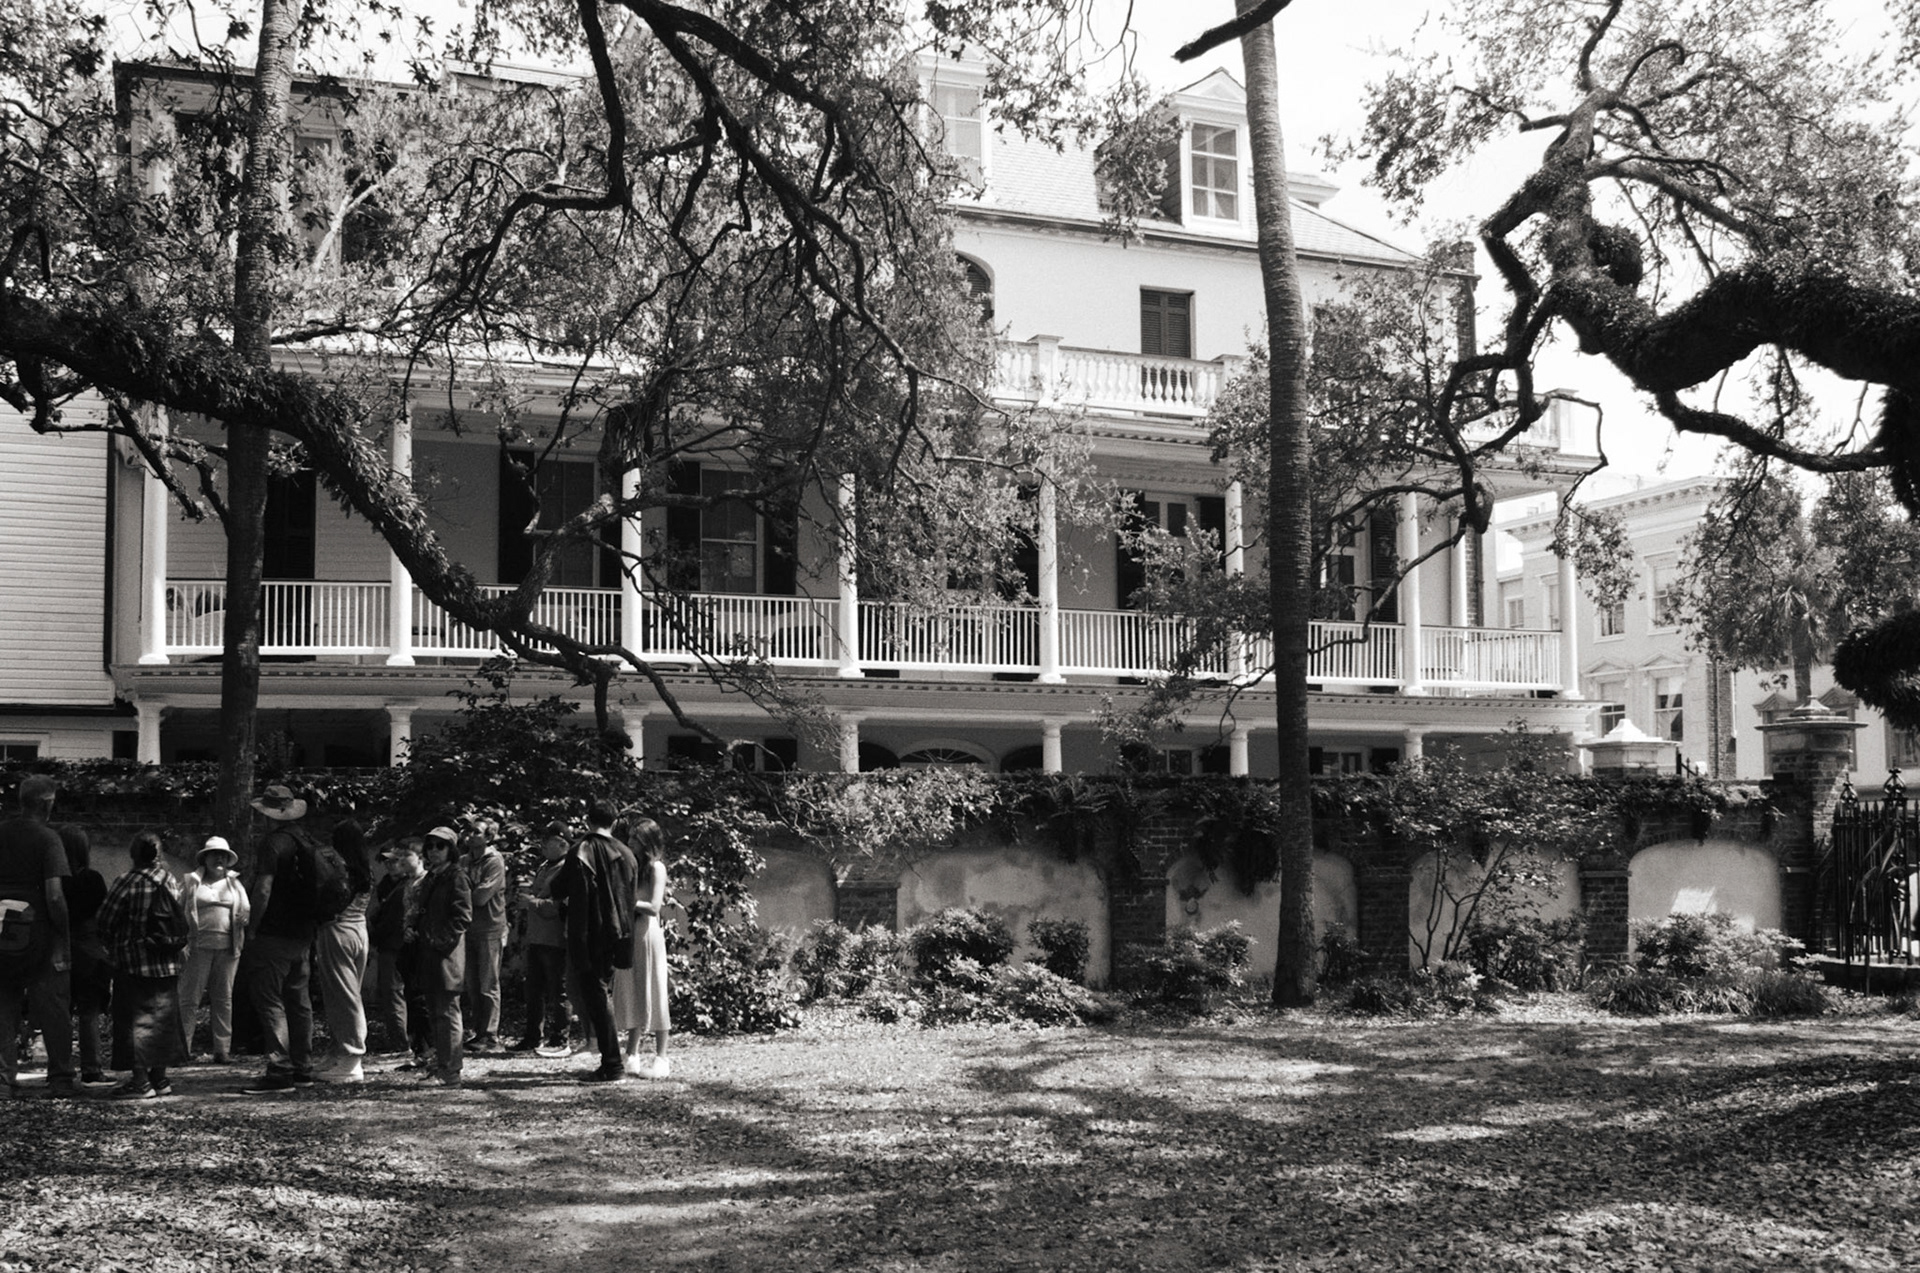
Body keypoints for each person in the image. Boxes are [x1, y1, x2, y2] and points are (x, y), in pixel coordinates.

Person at [96, 831, 188, 1099]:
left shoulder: (127, 881)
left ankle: (139, 1081)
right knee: (163, 1020)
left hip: (134, 962)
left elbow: (105, 919)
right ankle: (160, 1078)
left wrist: (112, 944)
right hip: (168, 961)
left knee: (133, 1022)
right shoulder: (170, 880)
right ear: (159, 854)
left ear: (133, 854)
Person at [240, 783, 319, 1095]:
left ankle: (280, 1069)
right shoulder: (306, 841)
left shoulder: (273, 844)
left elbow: (263, 889)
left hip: (274, 934)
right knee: (299, 1002)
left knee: (270, 999)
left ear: (267, 815)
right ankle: (303, 1067)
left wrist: (252, 927)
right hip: (303, 934)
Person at [0, 774, 75, 1100]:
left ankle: (3, 1080)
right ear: (47, 803)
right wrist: (64, 932)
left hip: (1, 927)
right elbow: (55, 895)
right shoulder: (48, 839)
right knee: (53, 1005)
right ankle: (59, 1079)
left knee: (2, 1006)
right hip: (39, 933)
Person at [556, 800, 635, 1083]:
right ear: (614, 821)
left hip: (590, 932)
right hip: (620, 932)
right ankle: (611, 1060)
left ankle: (613, 1064)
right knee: (603, 993)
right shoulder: (627, 853)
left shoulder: (583, 849)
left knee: (598, 996)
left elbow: (562, 887)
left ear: (588, 820)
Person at [175, 835, 248, 1065]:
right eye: (214, 855)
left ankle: (222, 1050)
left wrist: (243, 917)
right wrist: (180, 943)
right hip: (196, 947)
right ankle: (182, 1048)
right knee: (188, 999)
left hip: (227, 949)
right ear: (204, 858)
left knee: (223, 999)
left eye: (223, 856)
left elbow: (246, 909)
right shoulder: (191, 882)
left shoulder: (235, 884)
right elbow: (177, 910)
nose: (219, 859)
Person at [313, 819, 373, 1083]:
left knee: (345, 996)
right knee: (346, 993)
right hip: (359, 929)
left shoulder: (342, 869)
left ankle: (351, 1057)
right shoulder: (365, 869)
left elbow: (330, 905)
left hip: (338, 931)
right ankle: (339, 1050)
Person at [614, 816, 672, 1079]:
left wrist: (626, 901)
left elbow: (654, 907)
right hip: (630, 933)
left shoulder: (656, 868)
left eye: (636, 839)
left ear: (647, 842)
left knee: (655, 989)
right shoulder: (631, 867)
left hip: (648, 933)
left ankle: (661, 1056)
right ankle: (632, 1052)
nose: (630, 842)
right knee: (632, 990)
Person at [415, 826, 471, 1086]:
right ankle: (441, 1066)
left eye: (441, 845)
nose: (434, 851)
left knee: (448, 1013)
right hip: (429, 953)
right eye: (430, 845)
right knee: (436, 1012)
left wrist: (439, 941)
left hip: (446, 954)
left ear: (452, 849)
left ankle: (450, 1071)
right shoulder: (433, 877)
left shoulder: (456, 877)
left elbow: (462, 918)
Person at [55, 824, 111, 1085]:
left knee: (60, 1013)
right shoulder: (93, 880)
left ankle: (60, 1068)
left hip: (60, 950)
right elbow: (102, 917)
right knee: (89, 1013)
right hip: (89, 953)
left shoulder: (56, 881)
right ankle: (91, 1068)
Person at [511, 827, 571, 1055]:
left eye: (549, 841)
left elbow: (557, 907)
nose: (543, 845)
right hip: (536, 938)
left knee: (558, 991)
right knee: (533, 990)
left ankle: (559, 1039)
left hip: (554, 938)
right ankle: (532, 1037)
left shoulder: (566, 869)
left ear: (563, 844)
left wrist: (531, 903)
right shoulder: (544, 866)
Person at [370, 838, 422, 1057]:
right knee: (392, 993)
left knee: (396, 993)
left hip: (398, 945)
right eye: (386, 861)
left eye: (394, 860)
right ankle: (403, 1039)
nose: (390, 865)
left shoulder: (408, 885)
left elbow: (395, 919)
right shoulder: (385, 884)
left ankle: (402, 1043)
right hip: (387, 944)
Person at [462, 819, 508, 1053]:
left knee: (488, 983)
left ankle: (490, 1036)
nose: (470, 835)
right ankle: (478, 1031)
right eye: (468, 831)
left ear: (488, 837)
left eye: (476, 832)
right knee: (472, 983)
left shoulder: (494, 861)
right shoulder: (463, 861)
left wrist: (464, 892)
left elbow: (480, 897)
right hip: (468, 929)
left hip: (490, 928)